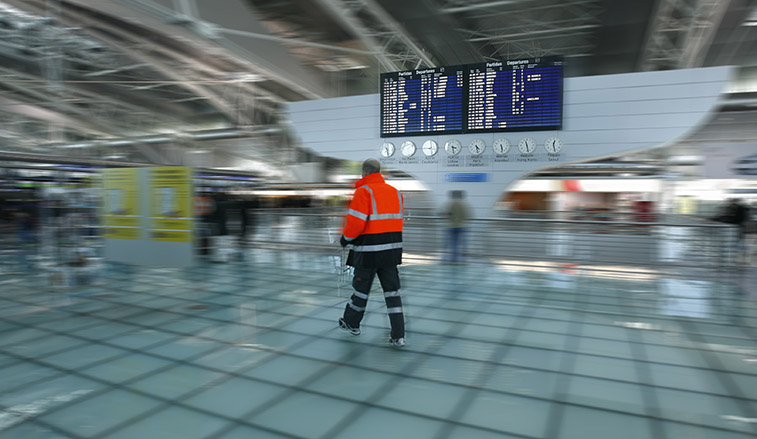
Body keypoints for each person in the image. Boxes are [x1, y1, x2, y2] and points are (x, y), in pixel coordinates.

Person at [338, 158, 406, 347]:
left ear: (364, 173)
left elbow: (356, 223)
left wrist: (345, 239)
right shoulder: (395, 192)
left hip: (368, 252)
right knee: (392, 292)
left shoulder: (364, 191)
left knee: (361, 290)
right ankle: (398, 335)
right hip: (391, 251)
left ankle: (352, 323)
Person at [442, 190, 471, 264]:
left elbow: (447, 214)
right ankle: (464, 260)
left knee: (452, 244)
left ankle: (453, 260)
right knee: (463, 244)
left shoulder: (450, 204)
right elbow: (467, 216)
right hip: (462, 226)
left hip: (451, 226)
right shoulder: (464, 204)